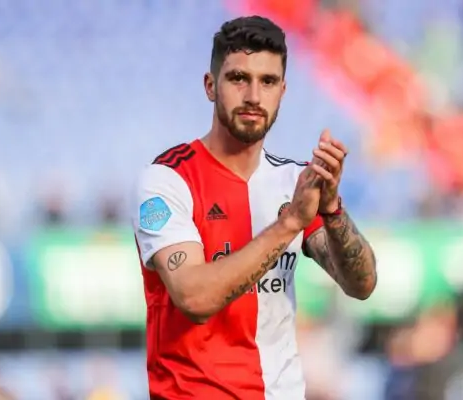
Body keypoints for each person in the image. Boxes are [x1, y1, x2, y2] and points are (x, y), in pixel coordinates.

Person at [131, 15, 377, 400]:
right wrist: (290, 223)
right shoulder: (167, 181)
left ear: (283, 90)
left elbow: (362, 284)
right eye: (238, 78)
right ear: (210, 86)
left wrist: (331, 210)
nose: (253, 96)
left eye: (268, 81)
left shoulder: (292, 182)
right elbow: (194, 298)